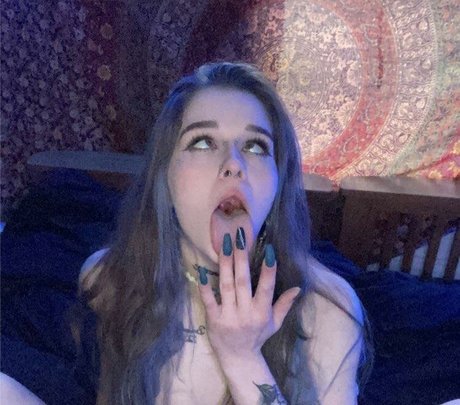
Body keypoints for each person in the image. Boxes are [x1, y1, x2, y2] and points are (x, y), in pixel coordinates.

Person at [1, 62, 372, 404]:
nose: (233, 164)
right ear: (166, 177)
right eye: (203, 142)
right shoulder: (109, 278)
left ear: (278, 182)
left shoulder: (327, 312)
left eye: (255, 145)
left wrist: (243, 358)